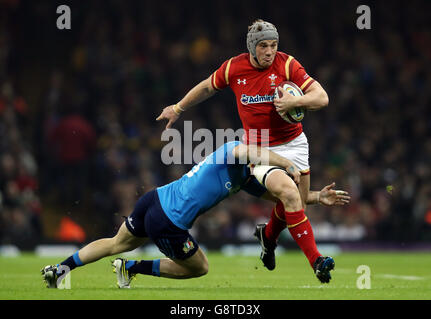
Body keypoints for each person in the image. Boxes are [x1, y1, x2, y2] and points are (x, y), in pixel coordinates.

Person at [156, 19, 346, 271]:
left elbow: (322, 97)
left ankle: (267, 237)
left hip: (295, 143)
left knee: (295, 204)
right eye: (264, 46)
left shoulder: (287, 64)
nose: (269, 51)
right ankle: (318, 261)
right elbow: (206, 87)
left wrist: (293, 103)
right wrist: (178, 108)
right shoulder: (234, 68)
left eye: (274, 45)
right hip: (260, 149)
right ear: (252, 47)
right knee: (289, 194)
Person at [41, 141, 348, 289]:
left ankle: (60, 269)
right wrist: (288, 163)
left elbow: (284, 197)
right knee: (199, 268)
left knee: (114, 242)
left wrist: (318, 196)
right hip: (169, 220)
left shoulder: (245, 179)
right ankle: (132, 268)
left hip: (155, 199)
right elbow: (248, 152)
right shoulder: (234, 151)